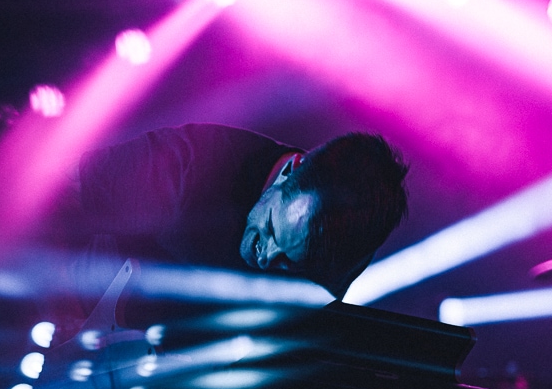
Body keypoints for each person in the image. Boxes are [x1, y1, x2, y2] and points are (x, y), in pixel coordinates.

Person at [54, 122, 409, 303]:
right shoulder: (183, 170)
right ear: (291, 170)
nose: (266, 257)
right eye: (271, 228)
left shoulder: (342, 250)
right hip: (81, 311)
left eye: (291, 262)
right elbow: (51, 191)